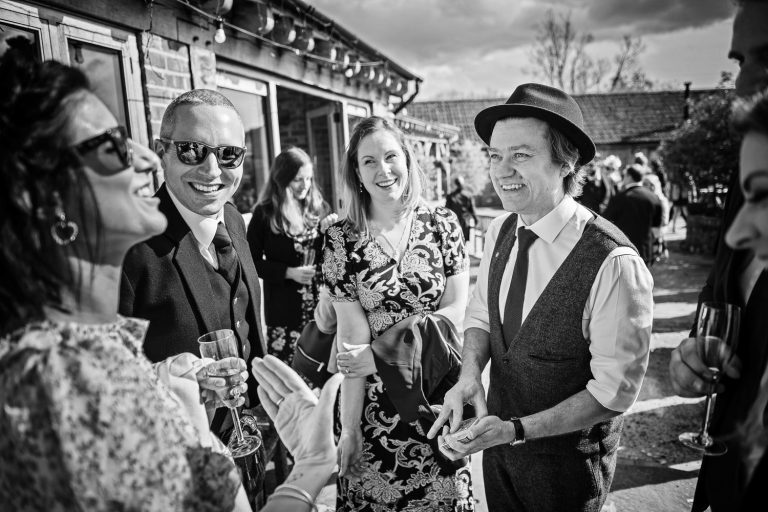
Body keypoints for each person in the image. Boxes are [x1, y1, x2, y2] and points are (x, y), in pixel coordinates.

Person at [0, 50, 252, 511]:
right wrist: (309, 473)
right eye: (113, 145)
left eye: (230, 153)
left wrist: (170, 390)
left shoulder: (99, 344)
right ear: (47, 200)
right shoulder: (60, 381)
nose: (143, 157)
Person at [428, 83, 654, 512]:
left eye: (521, 155)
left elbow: (612, 394)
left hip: (567, 475)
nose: (502, 171)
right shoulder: (499, 231)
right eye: (495, 156)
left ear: (566, 161)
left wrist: (516, 430)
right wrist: (470, 375)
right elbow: (479, 317)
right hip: (499, 461)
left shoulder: (612, 262)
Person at [321, 116, 474, 510]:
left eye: (391, 156)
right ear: (355, 171)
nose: (383, 170)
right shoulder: (340, 239)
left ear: (407, 159)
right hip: (376, 409)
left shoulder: (443, 225)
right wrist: (350, 429)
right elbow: (352, 342)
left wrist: (381, 352)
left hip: (438, 402)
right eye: (368, 161)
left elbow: (457, 312)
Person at [120, 89, 267, 434]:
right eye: (192, 151)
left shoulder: (232, 219)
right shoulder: (125, 248)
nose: (212, 169)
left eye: (229, 154)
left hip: (248, 439)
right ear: (162, 153)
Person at [669, 1, 768, 510]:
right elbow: (721, 289)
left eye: (766, 59)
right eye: (739, 61)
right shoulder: (748, 168)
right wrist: (694, 349)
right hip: (725, 472)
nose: (741, 83)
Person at [247, 147, 337, 365]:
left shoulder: (318, 207)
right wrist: (288, 273)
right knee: (288, 373)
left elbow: (333, 257)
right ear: (282, 179)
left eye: (308, 178)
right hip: (284, 311)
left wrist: (330, 233)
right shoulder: (264, 213)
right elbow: (250, 262)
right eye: (297, 180)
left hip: (319, 307)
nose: (305, 185)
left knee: (320, 369)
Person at [603, 164, 663, 265]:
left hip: (622, 250)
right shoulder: (653, 197)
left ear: (629, 176)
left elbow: (606, 223)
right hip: (645, 250)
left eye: (625, 175)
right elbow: (656, 230)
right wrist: (656, 247)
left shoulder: (620, 198)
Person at [445, 175, 478, 241]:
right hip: (464, 222)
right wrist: (476, 220)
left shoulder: (451, 196)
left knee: (454, 242)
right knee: (463, 242)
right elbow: (472, 210)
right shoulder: (468, 195)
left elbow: (446, 211)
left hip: (454, 222)